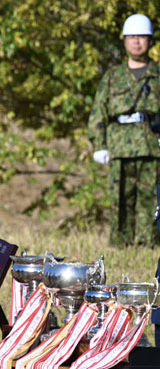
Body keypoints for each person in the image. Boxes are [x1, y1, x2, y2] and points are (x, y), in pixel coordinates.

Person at [88, 13, 160, 245]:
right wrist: (99, 145)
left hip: (151, 146)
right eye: (132, 36)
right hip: (119, 145)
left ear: (150, 41)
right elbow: (98, 112)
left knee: (150, 198)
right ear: (124, 40)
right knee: (120, 198)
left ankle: (148, 244)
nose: (137, 41)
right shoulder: (112, 76)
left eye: (142, 36)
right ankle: (121, 244)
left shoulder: (158, 75)